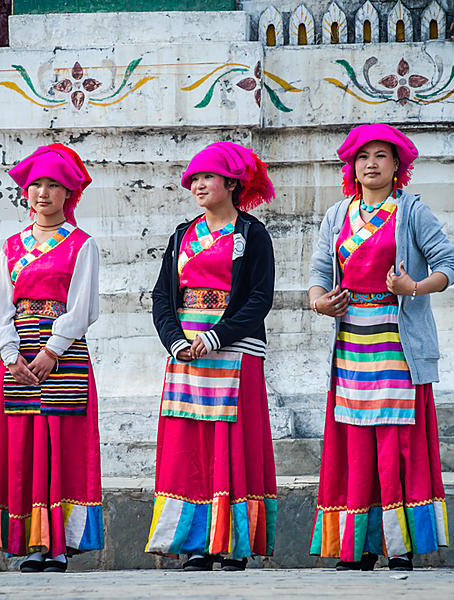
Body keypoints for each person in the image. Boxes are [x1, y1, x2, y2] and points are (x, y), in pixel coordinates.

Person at [307, 124, 454, 571]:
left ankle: (399, 546)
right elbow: (319, 270)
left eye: (380, 156)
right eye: (362, 157)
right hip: (352, 340)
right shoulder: (337, 216)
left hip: (397, 341)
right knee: (355, 442)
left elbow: (449, 266)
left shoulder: (412, 212)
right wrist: (320, 302)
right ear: (352, 167)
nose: (370, 164)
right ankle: (359, 547)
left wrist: (413, 286)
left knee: (395, 443)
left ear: (398, 166)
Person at [145, 141, 278, 571]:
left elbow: (259, 298)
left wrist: (217, 337)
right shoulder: (182, 234)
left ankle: (233, 543)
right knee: (190, 450)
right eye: (195, 179)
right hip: (186, 353)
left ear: (232, 183)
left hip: (234, 352)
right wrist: (175, 340)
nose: (200, 185)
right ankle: (197, 543)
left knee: (230, 446)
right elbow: (163, 297)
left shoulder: (252, 234)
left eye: (208, 177)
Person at [0, 143, 102, 573]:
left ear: (69, 194)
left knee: (60, 448)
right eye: (35, 185)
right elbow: (0, 308)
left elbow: (83, 307)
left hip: (62, 356)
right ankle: (31, 542)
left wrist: (52, 350)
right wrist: (10, 356)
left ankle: (60, 545)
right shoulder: (11, 247)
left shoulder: (82, 245)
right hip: (17, 359)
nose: (43, 193)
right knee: (23, 448)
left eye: (53, 185)